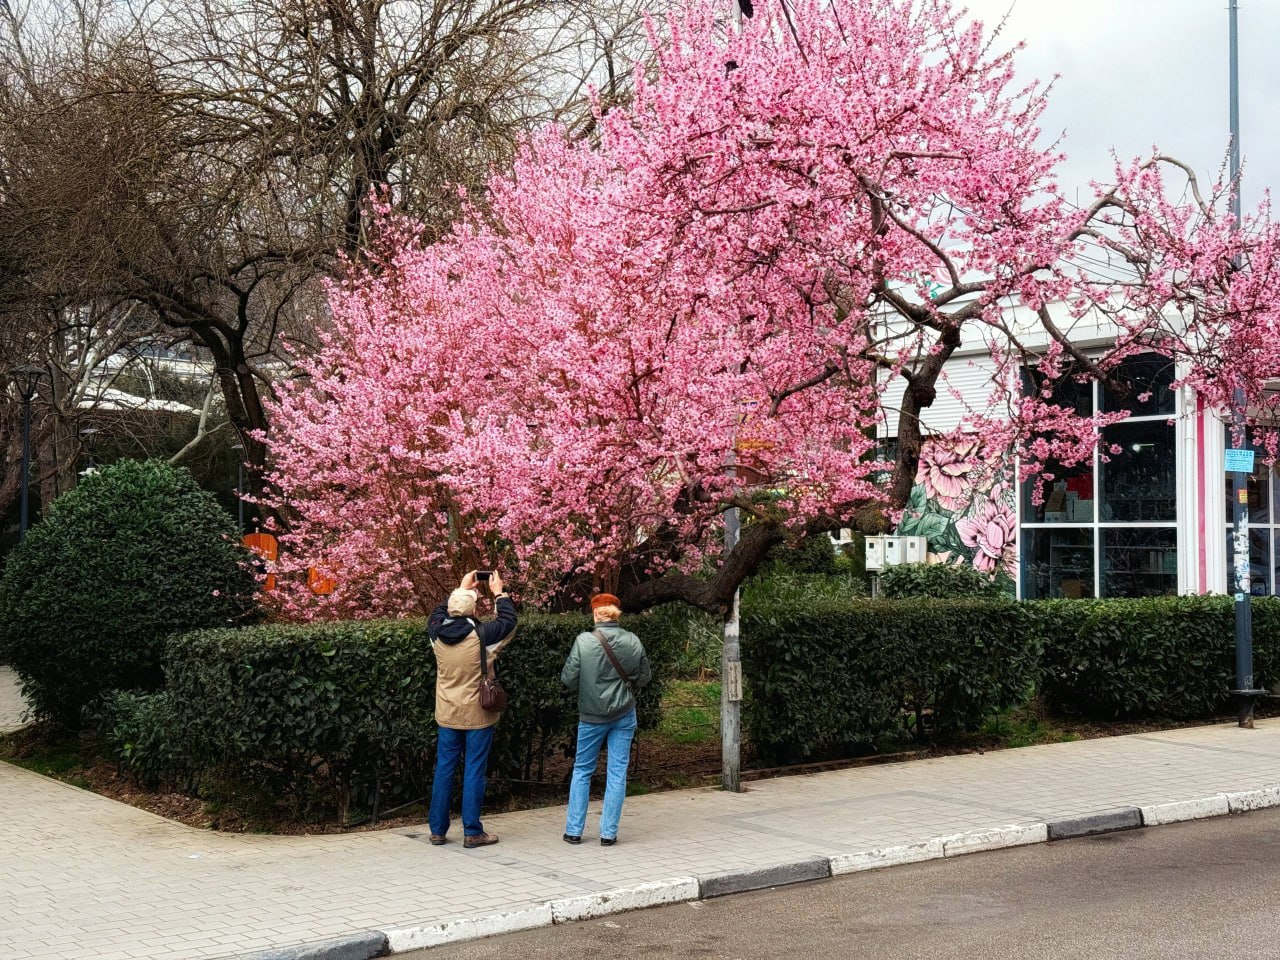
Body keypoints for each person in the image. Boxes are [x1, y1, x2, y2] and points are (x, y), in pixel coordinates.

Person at [426, 569, 516, 848]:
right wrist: (499, 593)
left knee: (444, 769)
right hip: (478, 712)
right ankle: (472, 831)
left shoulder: (435, 632)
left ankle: (438, 830)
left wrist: (459, 589)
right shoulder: (483, 635)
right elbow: (508, 622)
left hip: (448, 712)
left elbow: (437, 613)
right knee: (474, 770)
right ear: (473, 608)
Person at [561, 592, 652, 846]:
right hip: (624, 713)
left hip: (591, 716)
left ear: (595, 613)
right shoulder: (633, 640)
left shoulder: (583, 641)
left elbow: (568, 678)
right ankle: (608, 834)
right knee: (617, 773)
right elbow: (644, 678)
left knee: (582, 770)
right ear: (617, 613)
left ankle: (574, 830)